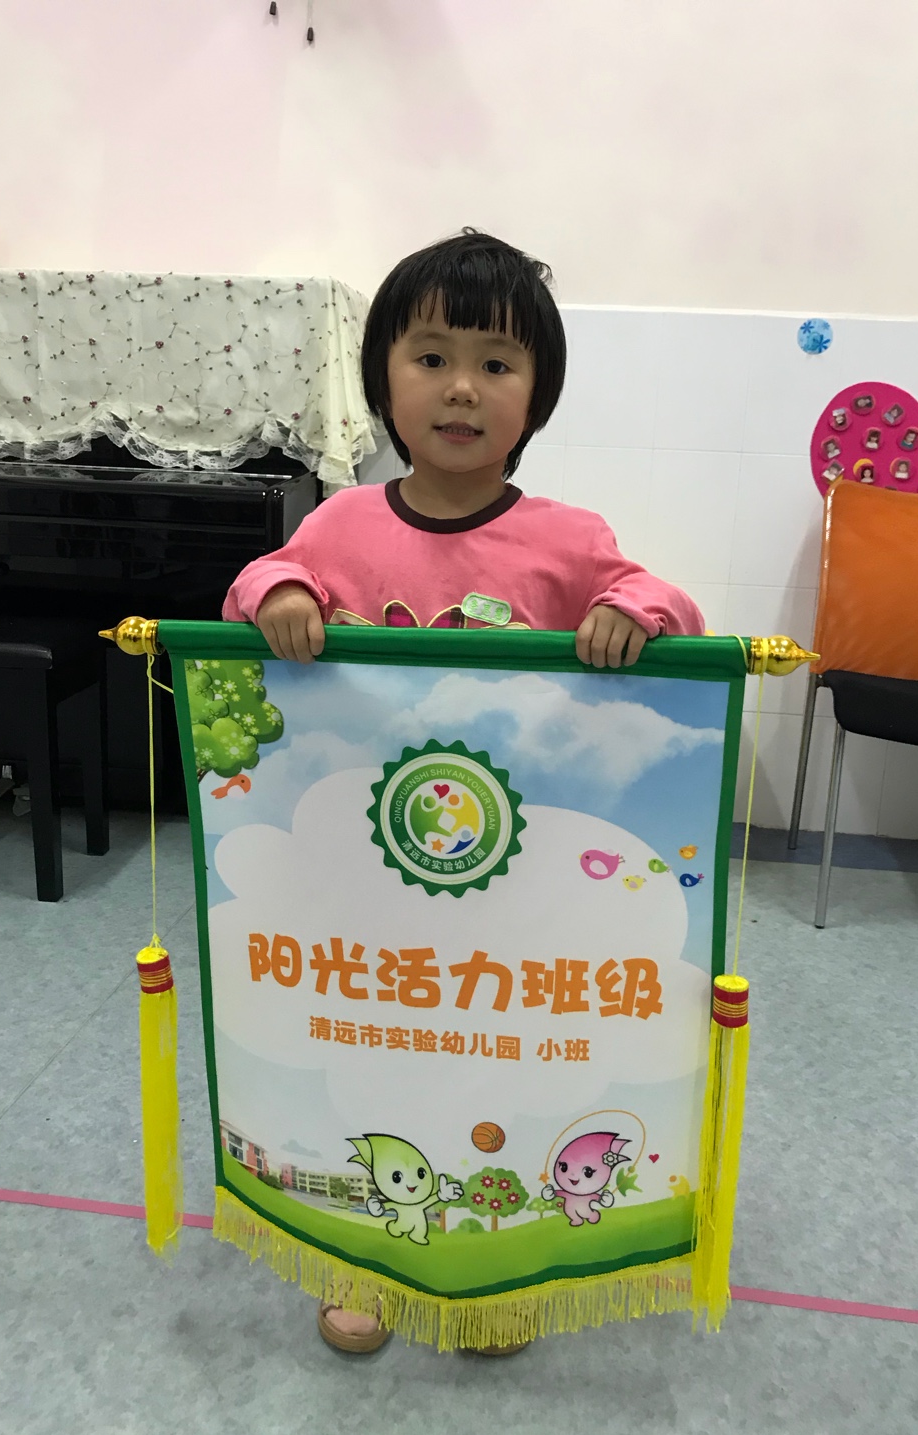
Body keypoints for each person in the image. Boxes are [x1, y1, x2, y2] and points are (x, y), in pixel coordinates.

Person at [222, 227, 705, 1355]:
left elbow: (669, 602)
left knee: (496, 1066)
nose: (461, 389)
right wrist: (282, 590)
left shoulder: (566, 540)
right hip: (369, 901)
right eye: (431, 357)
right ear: (382, 378)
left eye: (497, 363)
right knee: (374, 1064)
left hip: (510, 908)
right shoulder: (340, 524)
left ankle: (488, 1274)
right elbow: (257, 581)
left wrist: (631, 612)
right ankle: (368, 1256)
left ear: (537, 396)